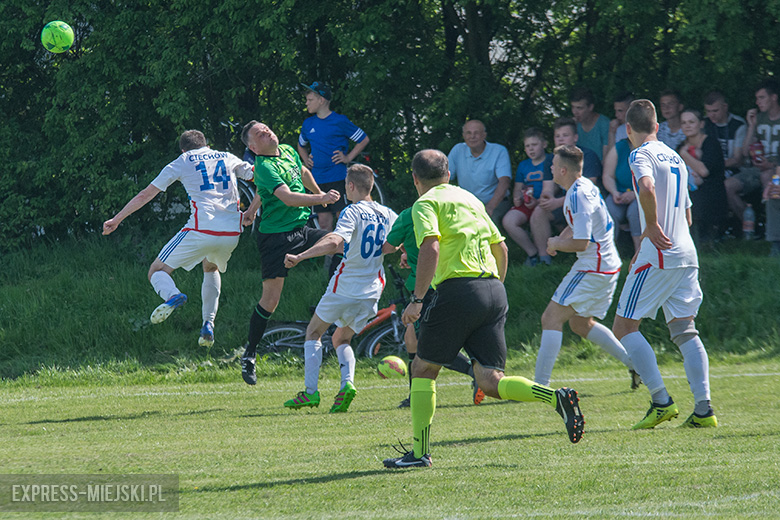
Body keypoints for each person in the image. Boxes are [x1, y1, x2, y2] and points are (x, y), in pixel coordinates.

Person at [382, 149, 584, 469]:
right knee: (490, 381)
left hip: (457, 290)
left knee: (422, 369)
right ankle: (554, 397)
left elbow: (431, 246)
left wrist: (417, 300)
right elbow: (501, 247)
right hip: (492, 289)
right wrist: (495, 290)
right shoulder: (470, 199)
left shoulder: (426, 203)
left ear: (415, 178)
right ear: (449, 174)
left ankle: (420, 454)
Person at [612, 99, 717, 430]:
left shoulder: (638, 154)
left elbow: (645, 186)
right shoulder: (676, 157)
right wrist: (650, 236)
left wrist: (652, 228)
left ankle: (661, 401)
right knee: (685, 330)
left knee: (624, 327)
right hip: (686, 252)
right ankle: (704, 409)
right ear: (657, 126)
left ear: (629, 129)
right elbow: (686, 211)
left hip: (660, 254)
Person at [102, 130, 254, 348]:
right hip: (232, 231)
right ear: (207, 145)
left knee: (156, 271)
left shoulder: (182, 161)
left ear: (184, 149)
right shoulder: (226, 156)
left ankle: (172, 295)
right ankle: (208, 323)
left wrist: (117, 219)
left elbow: (146, 194)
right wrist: (254, 209)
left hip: (202, 229)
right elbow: (259, 176)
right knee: (210, 268)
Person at [282, 164, 397, 412]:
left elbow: (335, 240)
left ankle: (310, 393)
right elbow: (394, 244)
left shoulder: (352, 211)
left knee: (313, 332)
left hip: (345, 285)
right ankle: (347, 385)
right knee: (341, 337)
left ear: (351, 186)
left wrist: (301, 256)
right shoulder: (388, 214)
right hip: (372, 289)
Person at [239, 121, 340, 385]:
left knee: (339, 242)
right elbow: (287, 196)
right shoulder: (263, 166)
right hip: (275, 238)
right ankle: (249, 354)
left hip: (302, 228)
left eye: (266, 128)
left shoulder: (286, 150)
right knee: (270, 300)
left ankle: (332, 299)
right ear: (253, 147)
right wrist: (321, 200)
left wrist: (319, 194)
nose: (267, 132)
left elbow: (303, 173)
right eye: (259, 134)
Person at [535, 144, 638, 389]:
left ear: (562, 170)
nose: (549, 167)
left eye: (552, 164)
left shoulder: (577, 196)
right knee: (580, 324)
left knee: (550, 318)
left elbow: (581, 243)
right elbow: (579, 226)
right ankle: (635, 364)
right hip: (607, 265)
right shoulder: (585, 188)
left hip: (594, 267)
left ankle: (539, 387)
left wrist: (557, 243)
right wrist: (558, 240)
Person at [383, 207, 484, 408]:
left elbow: (387, 247)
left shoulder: (410, 214)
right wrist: (410, 253)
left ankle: (477, 373)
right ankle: (415, 396)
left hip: (426, 288)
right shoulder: (454, 209)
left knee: (428, 343)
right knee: (411, 338)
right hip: (455, 281)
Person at [297, 81, 370, 232]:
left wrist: (348, 158)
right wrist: (305, 160)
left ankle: (344, 252)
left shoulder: (339, 121)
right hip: (317, 180)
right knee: (323, 222)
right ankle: (329, 254)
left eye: (310, 100)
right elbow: (301, 145)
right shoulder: (308, 124)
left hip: (337, 177)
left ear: (321, 100)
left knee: (343, 218)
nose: (306, 103)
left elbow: (363, 139)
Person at [530, 117, 602, 265]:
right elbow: (548, 188)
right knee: (539, 212)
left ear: (575, 137)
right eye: (557, 136)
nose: (561, 139)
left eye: (565, 135)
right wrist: (547, 198)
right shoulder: (552, 159)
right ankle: (545, 258)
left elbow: (587, 190)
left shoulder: (586, 156)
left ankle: (591, 255)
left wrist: (556, 202)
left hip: (583, 206)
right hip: (562, 202)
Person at [447, 119, 513, 226]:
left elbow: (504, 182)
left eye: (476, 133)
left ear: (484, 135)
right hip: (466, 204)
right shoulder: (458, 150)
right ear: (464, 135)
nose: (472, 136)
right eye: (468, 133)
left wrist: (490, 207)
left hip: (495, 203)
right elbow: (445, 177)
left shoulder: (499, 151)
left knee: (486, 226)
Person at [502, 128, 551, 266]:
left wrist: (538, 201)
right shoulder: (523, 165)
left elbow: (556, 186)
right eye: (527, 146)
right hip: (528, 202)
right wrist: (517, 198)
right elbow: (518, 188)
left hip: (545, 202)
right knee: (509, 221)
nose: (531, 149)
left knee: (538, 214)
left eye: (534, 145)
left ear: (544, 144)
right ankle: (532, 253)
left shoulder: (551, 160)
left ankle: (545, 257)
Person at [678, 109, 728, 242]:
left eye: (691, 122)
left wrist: (685, 154)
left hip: (711, 191)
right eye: (683, 123)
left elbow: (704, 171)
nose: (687, 125)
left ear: (701, 124)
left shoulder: (711, 144)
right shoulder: (681, 146)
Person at [743, 79, 780, 255]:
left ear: (774, 97)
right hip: (759, 168)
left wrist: (772, 169)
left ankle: (771, 233)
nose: (758, 102)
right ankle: (753, 230)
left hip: (774, 169)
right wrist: (751, 126)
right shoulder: (759, 119)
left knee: (772, 186)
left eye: (762, 97)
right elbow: (744, 152)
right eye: (756, 98)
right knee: (729, 185)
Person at [602, 138, 642, 253]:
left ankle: (640, 254)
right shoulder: (619, 147)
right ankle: (608, 254)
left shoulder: (651, 149)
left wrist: (635, 193)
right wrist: (614, 192)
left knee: (635, 212)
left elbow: (656, 179)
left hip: (642, 194)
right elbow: (608, 175)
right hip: (619, 193)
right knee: (608, 210)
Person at [570, 86, 610, 160]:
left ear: (590, 107)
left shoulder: (604, 124)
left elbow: (607, 155)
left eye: (579, 108)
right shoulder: (573, 125)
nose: (575, 112)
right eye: (573, 107)